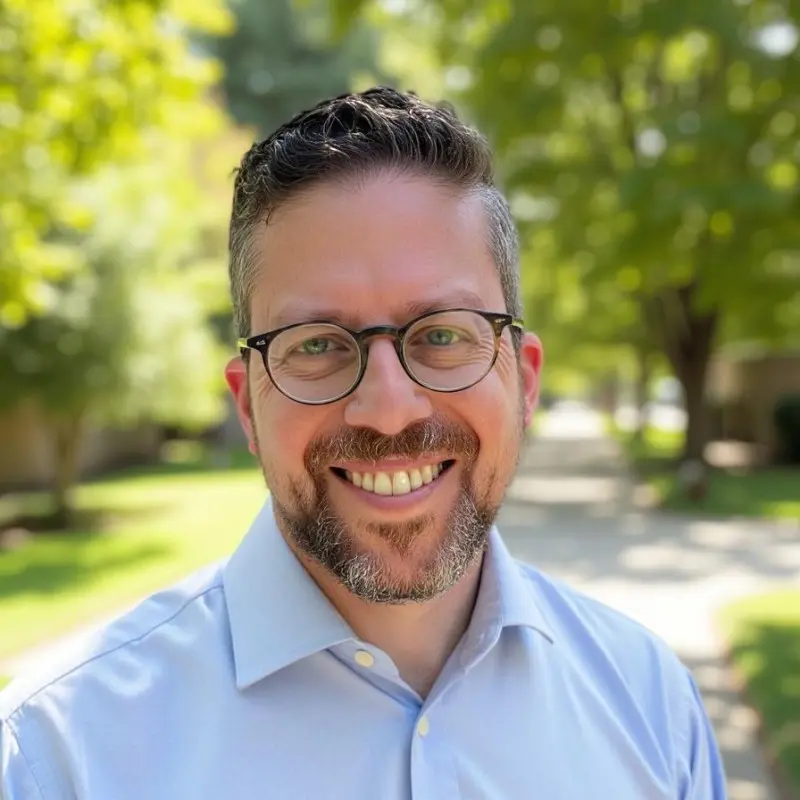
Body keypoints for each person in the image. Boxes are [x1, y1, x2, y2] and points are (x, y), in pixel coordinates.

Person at [0, 87, 727, 799]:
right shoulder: (58, 755)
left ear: (524, 383)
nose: (388, 411)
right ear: (248, 406)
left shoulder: (652, 705)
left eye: (442, 334)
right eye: (317, 344)